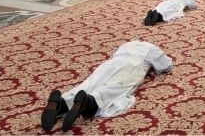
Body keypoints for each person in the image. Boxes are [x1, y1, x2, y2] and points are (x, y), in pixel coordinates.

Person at [40, 41, 172, 132]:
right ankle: (91, 102)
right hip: (132, 65)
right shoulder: (151, 48)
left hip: (109, 64)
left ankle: (63, 102)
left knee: (90, 83)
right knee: (115, 87)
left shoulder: (126, 45)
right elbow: (166, 66)